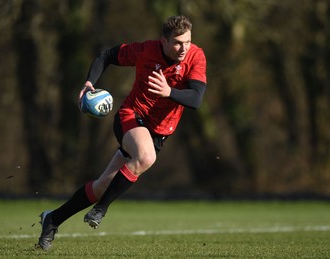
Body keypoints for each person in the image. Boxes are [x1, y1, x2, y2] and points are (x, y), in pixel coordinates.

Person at [37, 15, 207, 250]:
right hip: (130, 116)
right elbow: (105, 56)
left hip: (159, 132)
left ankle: (52, 219)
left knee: (100, 187)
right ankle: (100, 210)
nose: (183, 48)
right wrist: (89, 83)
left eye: (187, 42)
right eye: (177, 43)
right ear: (163, 41)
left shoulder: (196, 56)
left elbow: (196, 99)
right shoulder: (145, 50)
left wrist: (169, 92)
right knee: (146, 157)